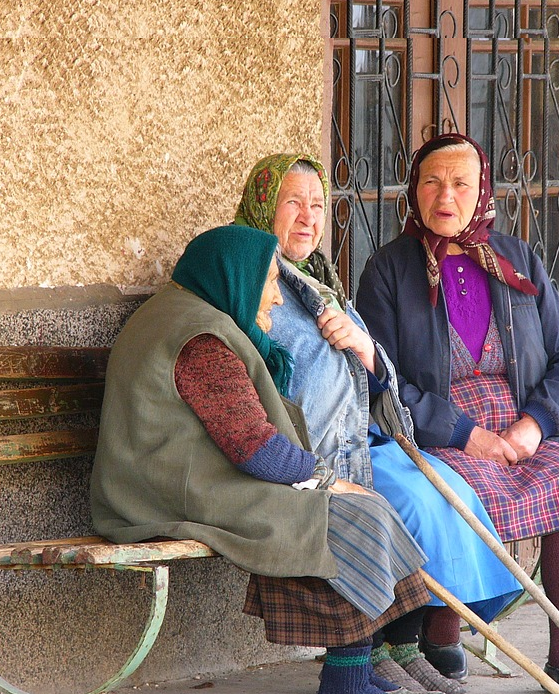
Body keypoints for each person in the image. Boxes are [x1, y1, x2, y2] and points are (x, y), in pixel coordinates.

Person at [90, 225, 434, 694]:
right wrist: (327, 481)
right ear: (235, 279)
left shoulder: (184, 314)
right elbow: (255, 448)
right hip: (169, 495)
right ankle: (346, 679)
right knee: (346, 515)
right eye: (269, 282)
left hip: (171, 481)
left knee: (357, 509)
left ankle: (355, 669)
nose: (274, 298)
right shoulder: (200, 338)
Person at [234, 153, 522, 694]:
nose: (307, 217)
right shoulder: (251, 286)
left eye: (317, 205)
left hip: (367, 437)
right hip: (316, 453)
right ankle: (369, 657)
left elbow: (379, 371)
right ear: (262, 208)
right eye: (292, 203)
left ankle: (403, 645)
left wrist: (364, 346)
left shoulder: (322, 282)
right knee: (401, 506)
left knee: (443, 492)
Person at [355, 133, 559, 694]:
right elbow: (381, 377)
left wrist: (536, 425)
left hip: (524, 424)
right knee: (465, 498)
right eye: (432, 181)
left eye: (460, 183)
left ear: (482, 193)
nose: (445, 196)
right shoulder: (388, 270)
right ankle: (442, 629)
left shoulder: (516, 259)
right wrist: (463, 432)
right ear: (414, 191)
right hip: (442, 429)